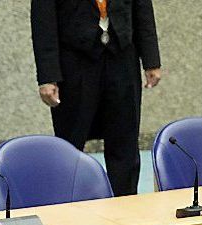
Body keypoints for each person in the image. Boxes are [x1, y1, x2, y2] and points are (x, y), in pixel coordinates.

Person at [31, 0, 161, 196]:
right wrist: (48, 77)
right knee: (70, 145)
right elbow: (43, 22)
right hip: (74, 64)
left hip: (123, 59)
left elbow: (142, 9)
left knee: (125, 144)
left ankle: (126, 208)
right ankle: (68, 206)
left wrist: (151, 60)